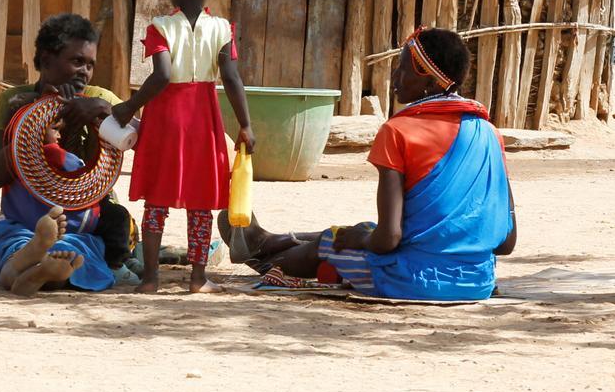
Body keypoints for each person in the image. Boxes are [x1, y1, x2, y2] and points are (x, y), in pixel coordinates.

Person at [220, 27, 517, 301]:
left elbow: (388, 239)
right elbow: (506, 242)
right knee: (359, 231)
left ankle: (265, 258)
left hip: (413, 280)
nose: (396, 76)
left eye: (402, 68)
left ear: (427, 79)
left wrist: (358, 238)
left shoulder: (398, 131)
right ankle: (269, 241)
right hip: (477, 281)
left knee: (336, 240)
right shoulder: (490, 134)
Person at [111, 0, 254, 294]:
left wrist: (129, 107)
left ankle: (150, 280)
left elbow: (161, 76)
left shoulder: (159, 27)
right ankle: (197, 278)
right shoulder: (222, 29)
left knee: (157, 198)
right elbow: (232, 79)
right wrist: (246, 125)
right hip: (202, 119)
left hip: (165, 118)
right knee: (201, 199)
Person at [0, 13, 132, 295]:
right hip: (29, 216)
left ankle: (38, 270)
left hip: (91, 215)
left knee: (83, 243)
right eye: (77, 61)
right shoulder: (15, 101)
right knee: (31, 244)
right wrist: (25, 123)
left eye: (90, 65)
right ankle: (39, 261)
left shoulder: (100, 98)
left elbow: (142, 135)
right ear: (47, 60)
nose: (85, 71)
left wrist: (103, 110)